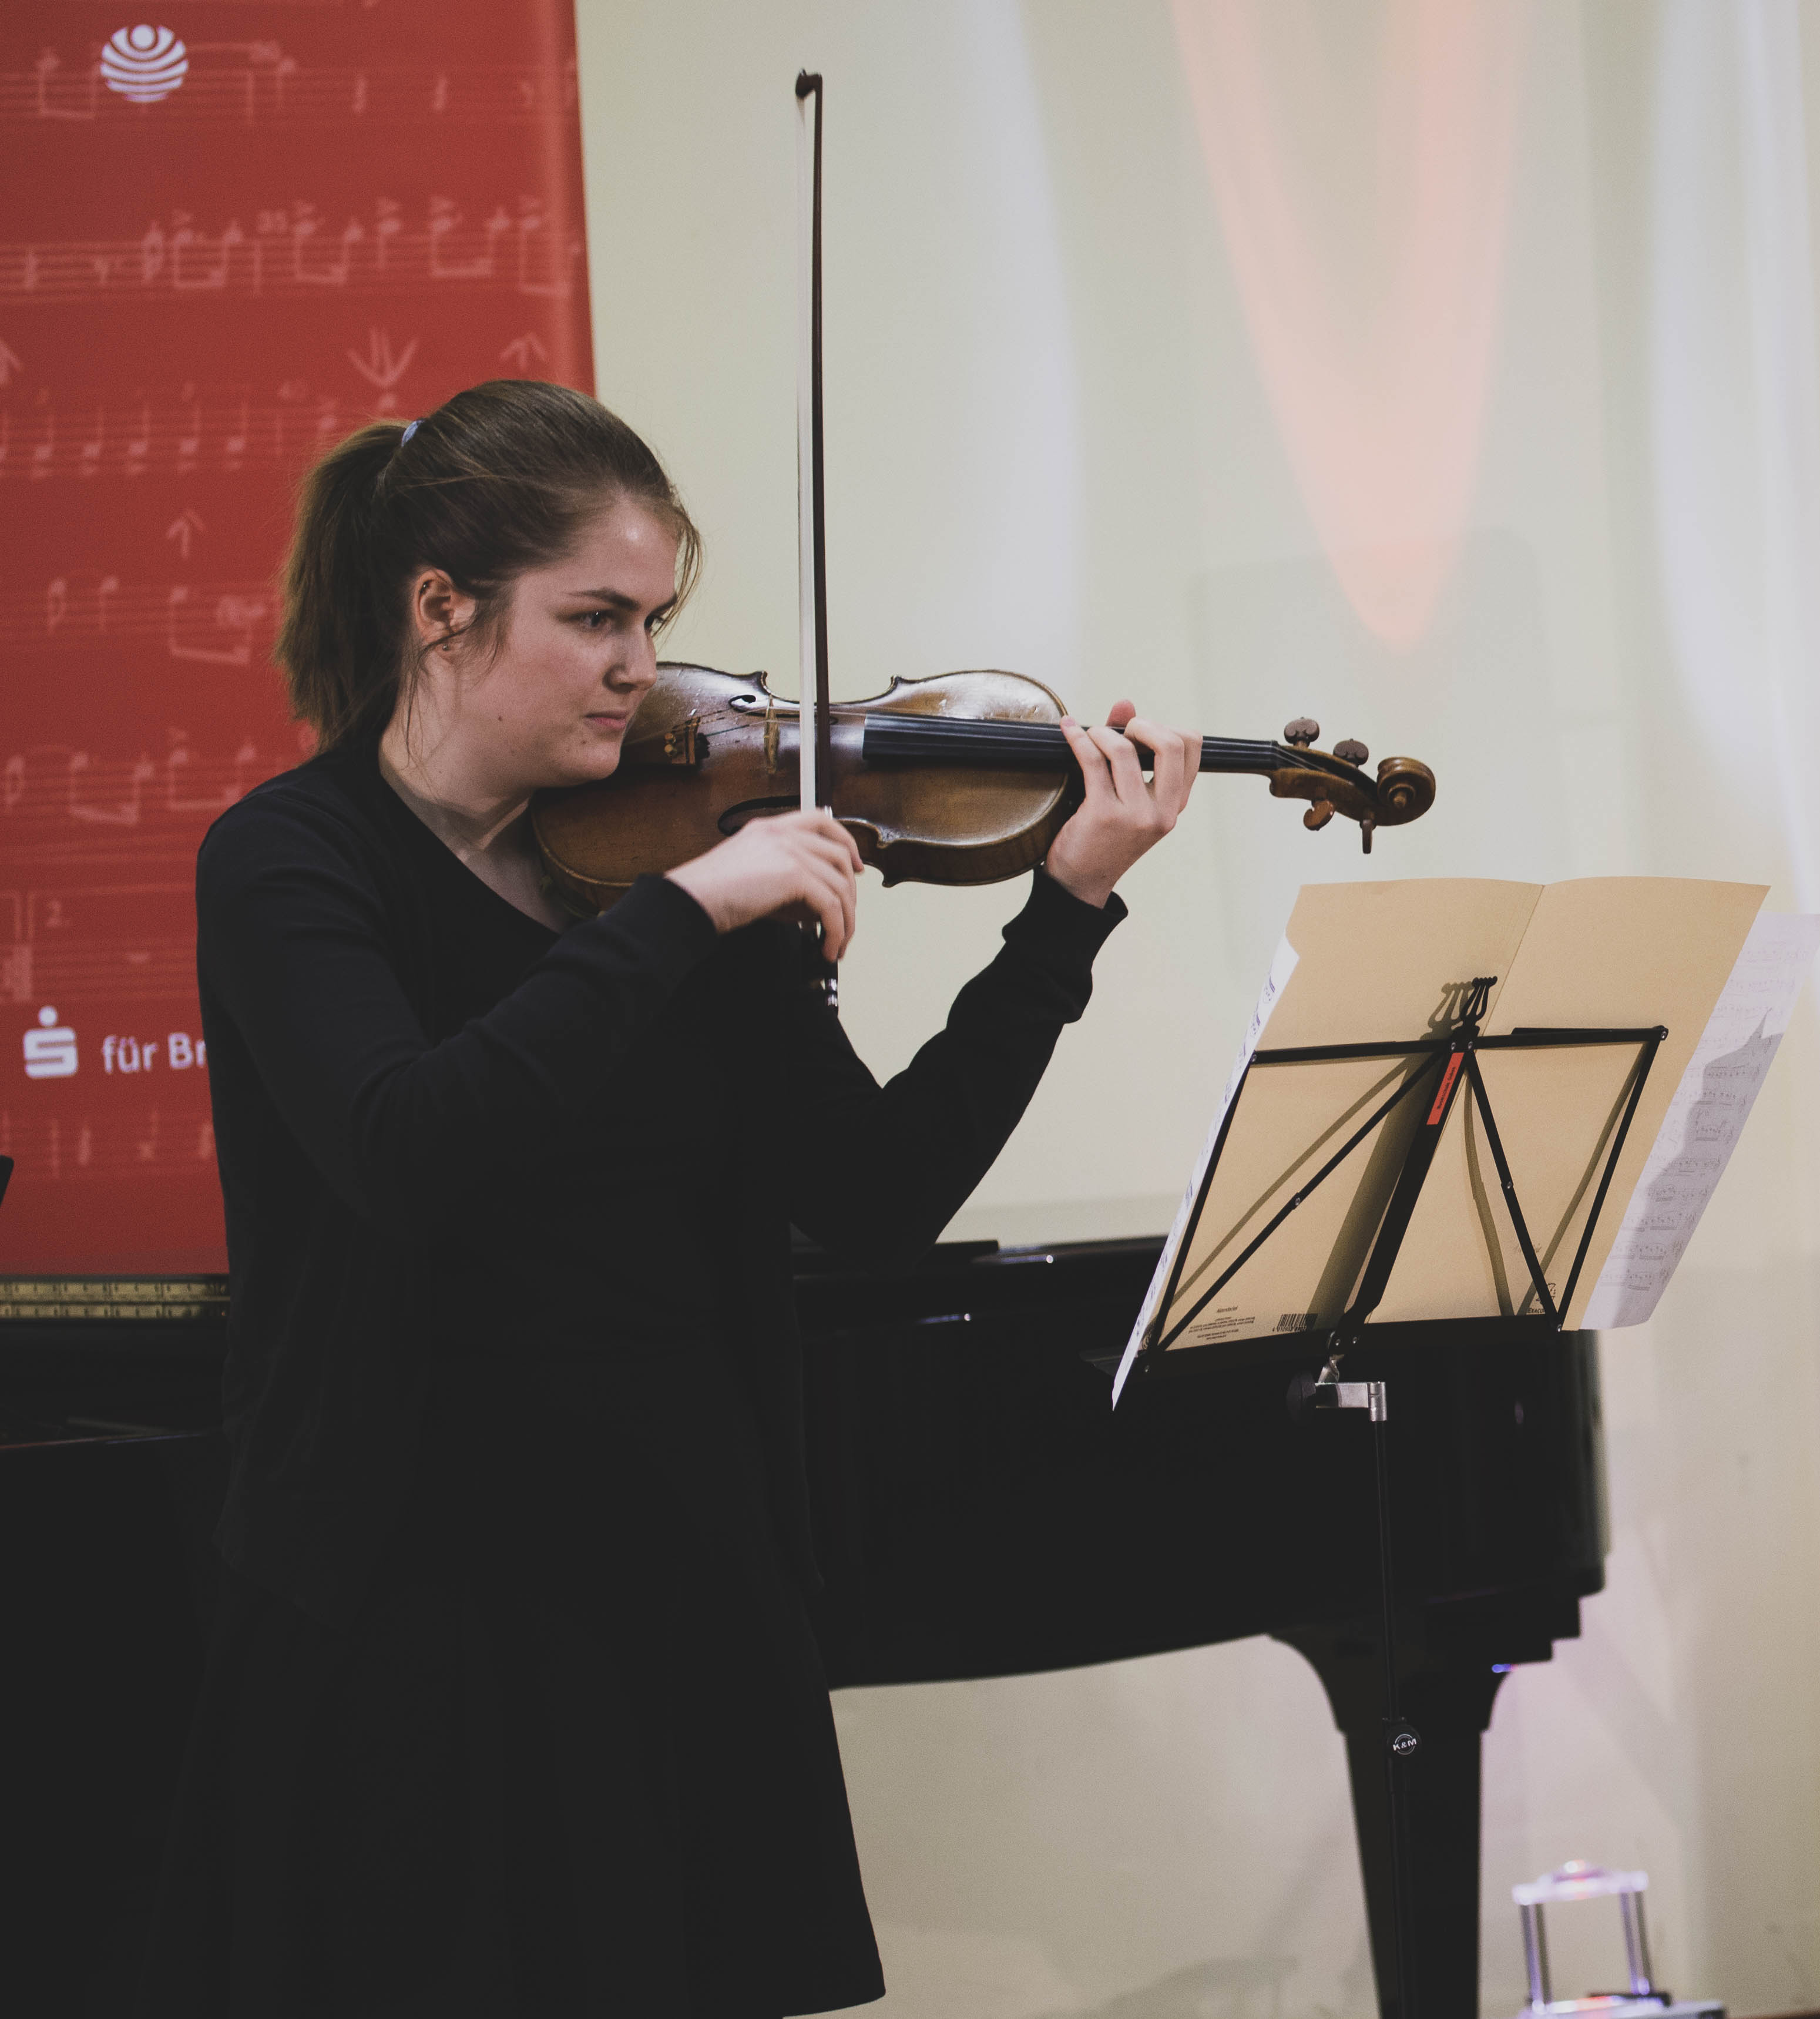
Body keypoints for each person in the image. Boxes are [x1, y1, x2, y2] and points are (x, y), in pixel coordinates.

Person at [142, 378, 1195, 2017]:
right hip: (412, 1616)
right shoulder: (296, 860)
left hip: (677, 1594)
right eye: (595, 618)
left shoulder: (679, 862)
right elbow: (410, 1148)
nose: (640, 667)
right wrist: (691, 909)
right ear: (440, 609)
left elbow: (874, 1196)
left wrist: (1062, 915)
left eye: (654, 620)